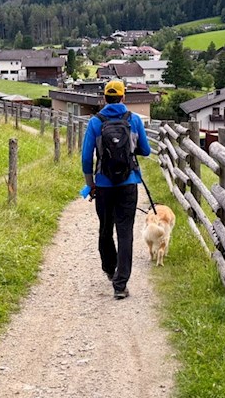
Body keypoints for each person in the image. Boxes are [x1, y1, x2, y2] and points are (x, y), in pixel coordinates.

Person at [82, 79, 151, 299]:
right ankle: (120, 285)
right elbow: (146, 150)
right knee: (125, 232)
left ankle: (110, 269)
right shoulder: (134, 120)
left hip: (103, 185)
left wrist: (90, 184)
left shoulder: (95, 122)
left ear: (104, 98)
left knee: (105, 228)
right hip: (128, 184)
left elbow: (86, 157)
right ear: (123, 97)